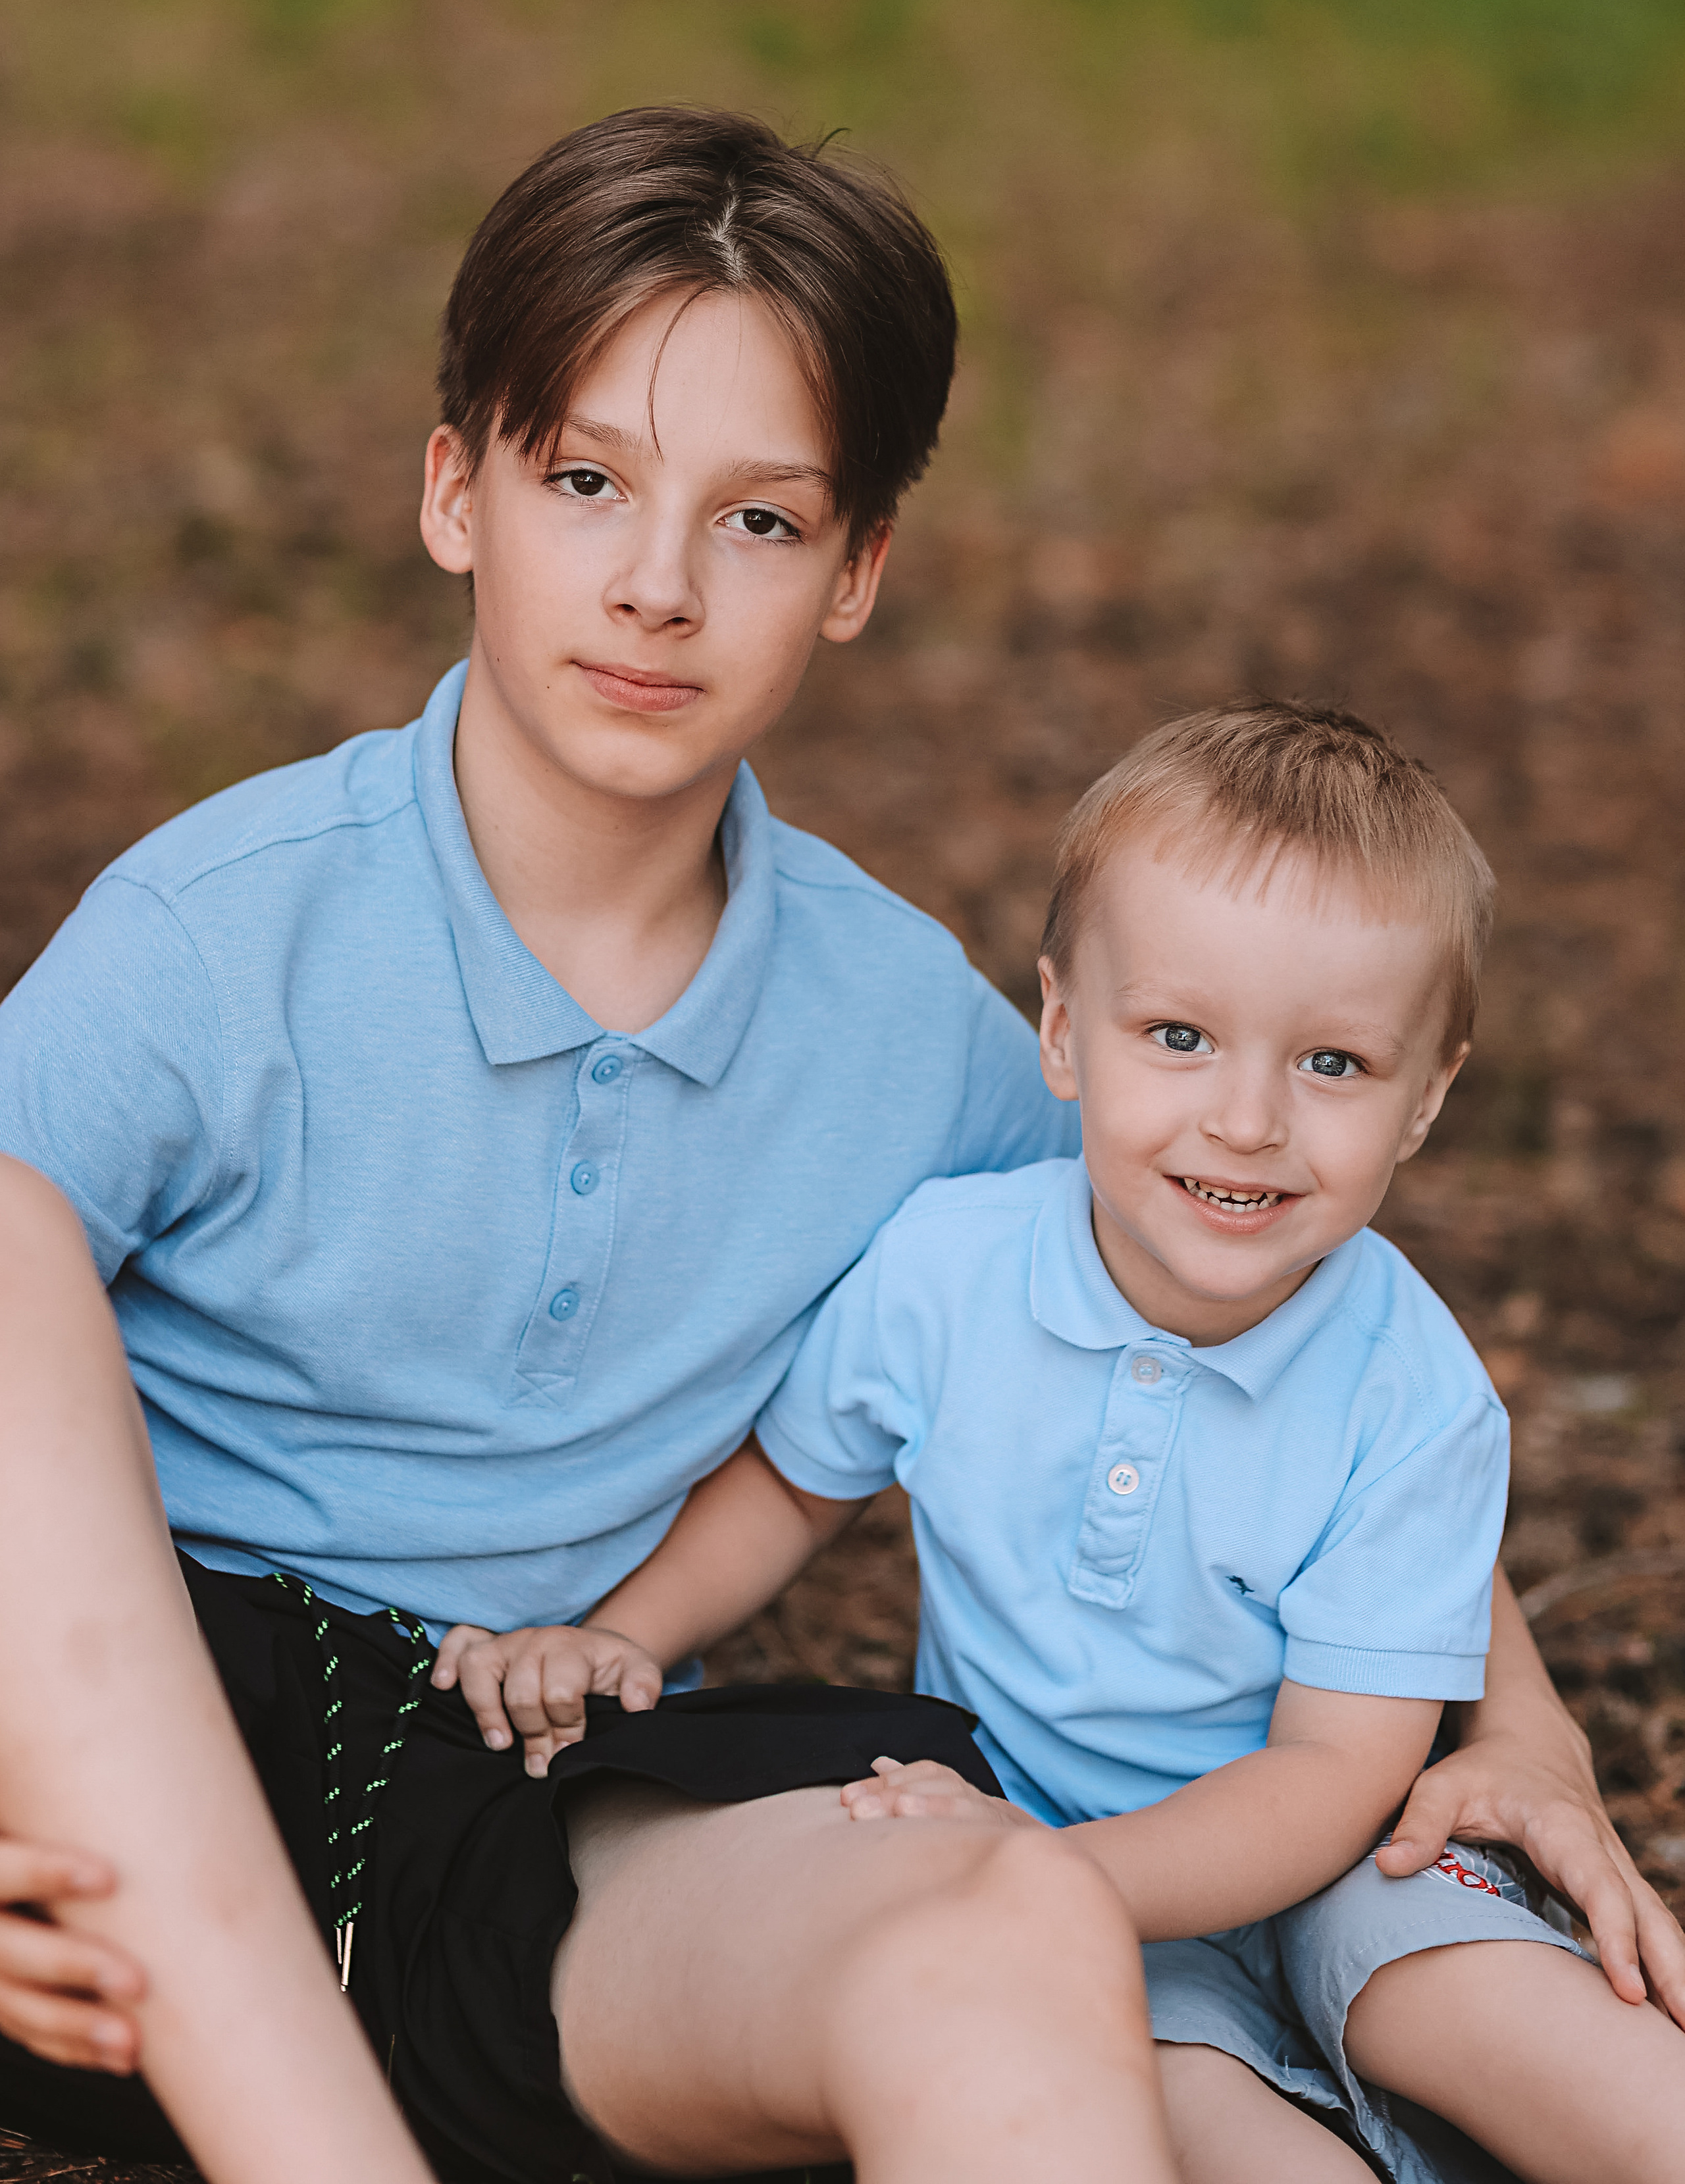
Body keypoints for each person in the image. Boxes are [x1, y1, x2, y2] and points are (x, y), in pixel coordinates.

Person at [0, 109, 1675, 2178]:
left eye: (761, 522)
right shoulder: (215, 931)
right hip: (112, 1789)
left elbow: (1268, 1322)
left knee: (1006, 1909)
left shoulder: (906, 1042)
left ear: (858, 569)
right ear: (457, 491)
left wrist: (1523, 1729)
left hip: (545, 1812)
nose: (655, 585)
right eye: (587, 480)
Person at [510, 702, 1685, 2184]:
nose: (1246, 1119)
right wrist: (624, 1632)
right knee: (1204, 2133)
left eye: (1331, 1065)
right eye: (1179, 1037)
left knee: (1545, 2040)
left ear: (1426, 1098)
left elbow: (1329, 1774)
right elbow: (790, 1489)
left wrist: (1048, 1879)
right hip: (1055, 1859)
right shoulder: (946, 1273)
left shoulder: (1410, 1391)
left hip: (1342, 1856)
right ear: (1062, 1033)